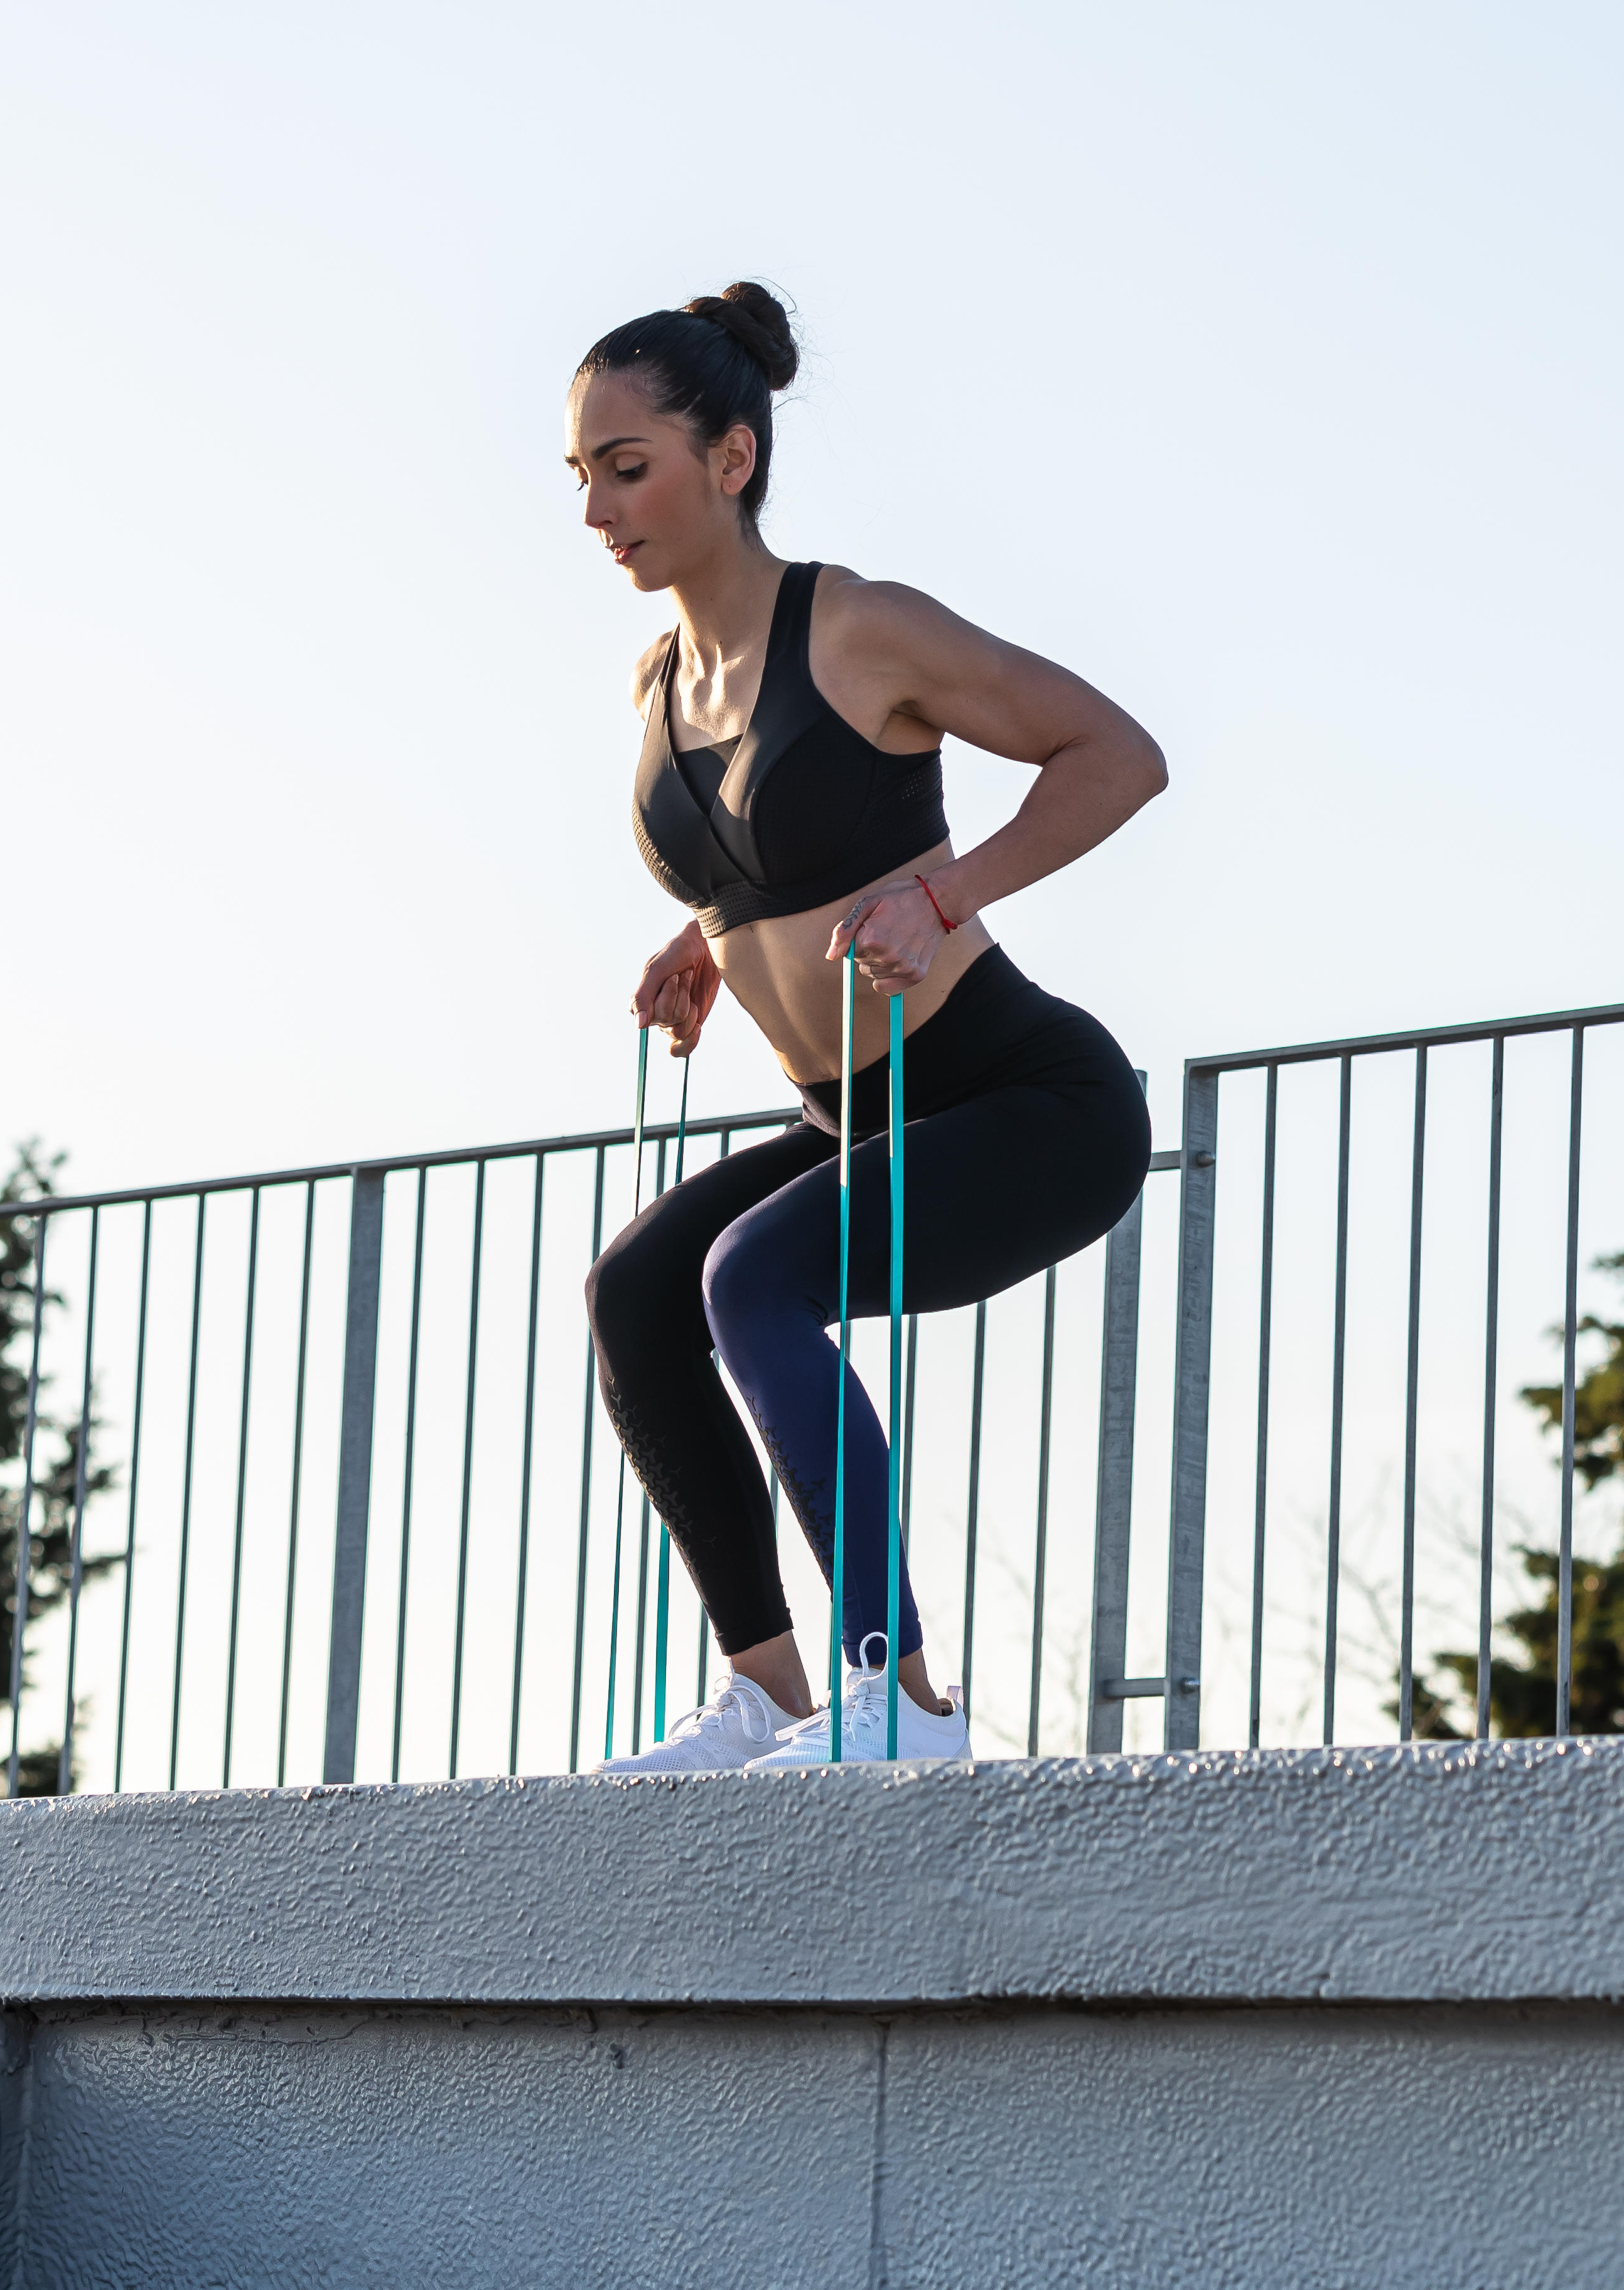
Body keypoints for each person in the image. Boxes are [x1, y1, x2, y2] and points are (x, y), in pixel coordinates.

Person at [573, 282, 1166, 1771]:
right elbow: (778, 858)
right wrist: (701, 940)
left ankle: (895, 1695)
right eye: (578, 475)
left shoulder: (861, 627)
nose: (597, 508)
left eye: (626, 466)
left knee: (752, 1273)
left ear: (731, 459)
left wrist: (952, 898)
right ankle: (770, 1695)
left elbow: (1120, 755)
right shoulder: (660, 682)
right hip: (853, 1110)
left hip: (1019, 1102)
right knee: (638, 1292)